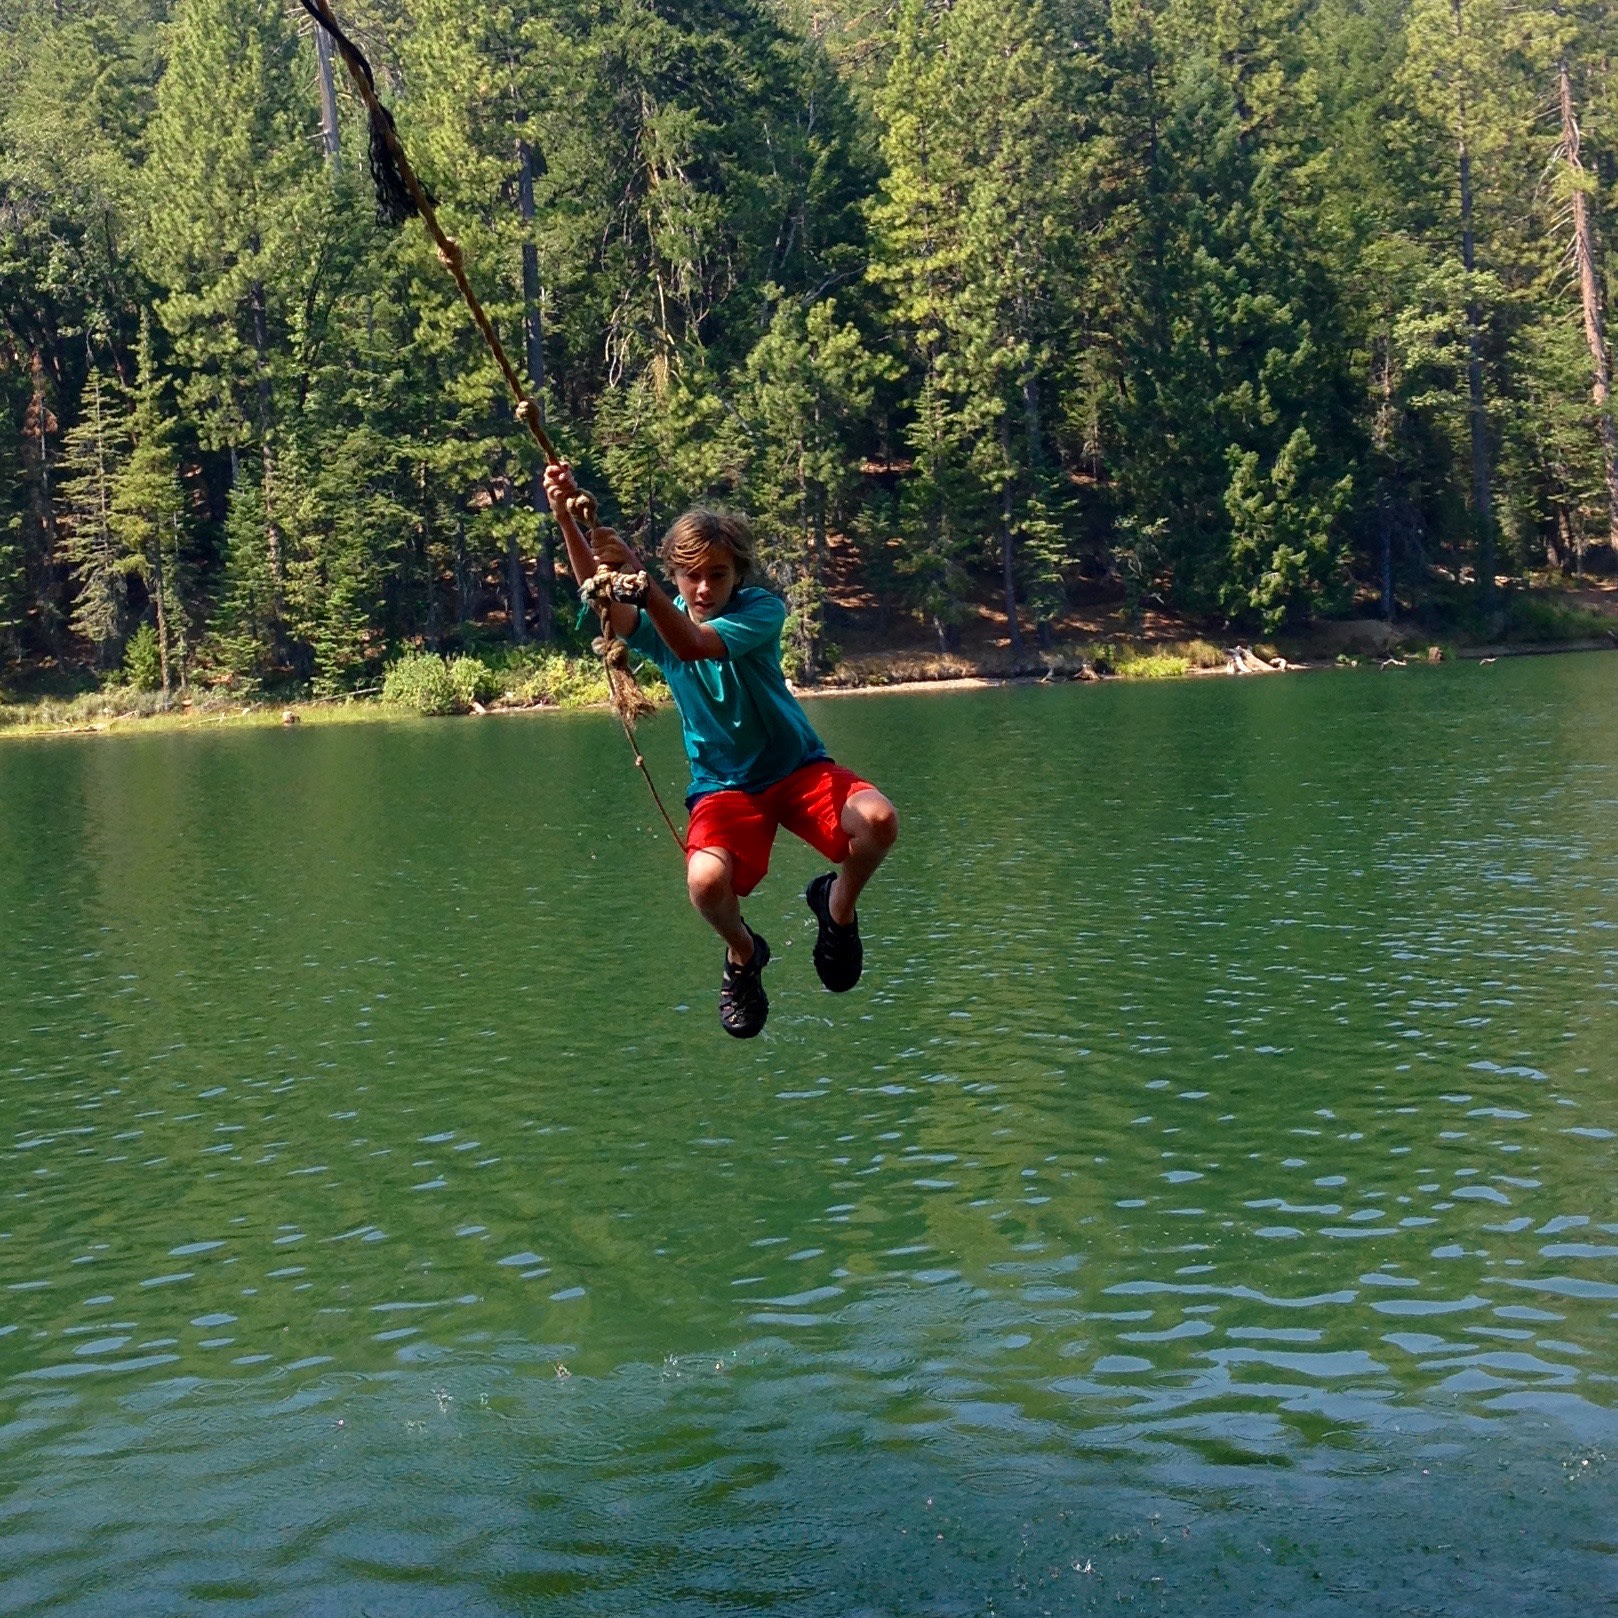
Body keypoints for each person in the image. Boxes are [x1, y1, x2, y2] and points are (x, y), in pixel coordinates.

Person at [543, 462, 898, 1039]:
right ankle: (743, 955)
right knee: (706, 883)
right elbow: (605, 599)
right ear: (674, 575)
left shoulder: (759, 611)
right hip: (724, 787)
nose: (704, 588)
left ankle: (836, 907)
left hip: (798, 769)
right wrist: (568, 523)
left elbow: (693, 645)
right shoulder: (662, 611)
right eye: (690, 576)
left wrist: (642, 579)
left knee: (878, 820)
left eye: (718, 574)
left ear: (738, 574)